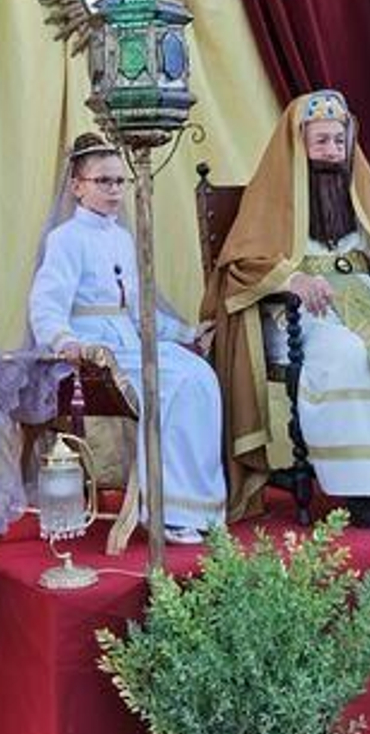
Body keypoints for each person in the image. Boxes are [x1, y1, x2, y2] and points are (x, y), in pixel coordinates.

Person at [205, 90, 370, 529]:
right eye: (322, 141)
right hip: (303, 314)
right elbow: (241, 266)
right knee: (348, 358)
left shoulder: (357, 194)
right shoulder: (270, 197)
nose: (332, 151)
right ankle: (361, 491)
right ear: (299, 146)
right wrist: (292, 279)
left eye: (339, 140)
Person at [27, 132, 227, 544]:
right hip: (92, 351)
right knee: (175, 382)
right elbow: (46, 303)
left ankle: (196, 507)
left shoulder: (122, 238)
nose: (114, 190)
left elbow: (139, 310)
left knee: (200, 375)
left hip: (129, 343)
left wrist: (188, 333)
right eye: (103, 181)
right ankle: (167, 511)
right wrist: (64, 341)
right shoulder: (65, 239)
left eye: (120, 181)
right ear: (77, 186)